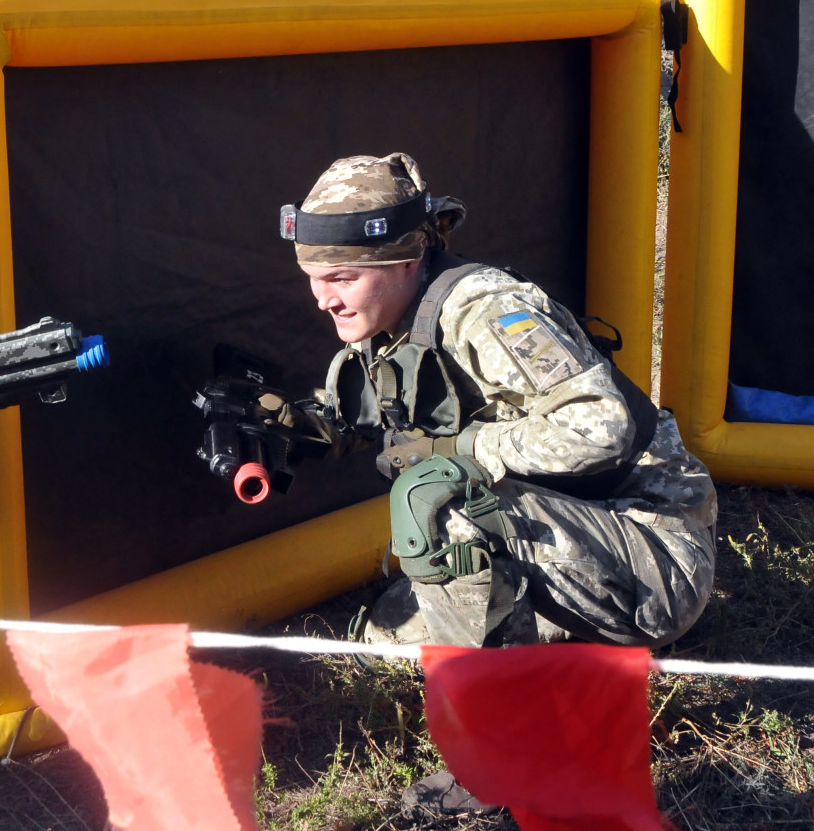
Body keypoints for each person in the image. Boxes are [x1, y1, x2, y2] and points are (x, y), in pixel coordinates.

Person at [277, 154, 717, 808]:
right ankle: (562, 651)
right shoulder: (389, 321)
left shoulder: (485, 310)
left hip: (655, 550)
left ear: (402, 260)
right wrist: (278, 425)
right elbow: (370, 414)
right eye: (313, 277)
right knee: (385, 636)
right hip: (574, 530)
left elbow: (604, 426)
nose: (323, 296)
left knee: (445, 508)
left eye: (341, 276)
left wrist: (462, 450)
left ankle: (503, 765)